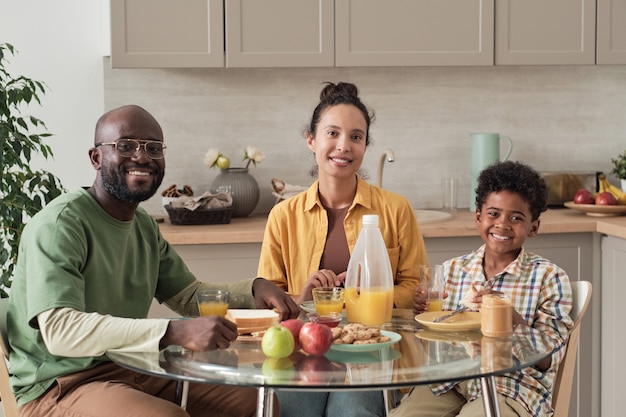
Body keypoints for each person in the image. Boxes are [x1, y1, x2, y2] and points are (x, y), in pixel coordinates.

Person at [7, 104, 300, 417]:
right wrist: (171, 332)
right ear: (96, 158)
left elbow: (187, 295)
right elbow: (60, 331)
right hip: (59, 386)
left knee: (251, 404)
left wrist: (253, 290)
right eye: (126, 146)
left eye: (153, 148)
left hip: (128, 366)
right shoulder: (60, 225)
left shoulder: (144, 225)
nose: (142, 157)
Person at [257, 82, 428, 417]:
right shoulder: (283, 216)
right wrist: (302, 297)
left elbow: (416, 288)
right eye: (332, 133)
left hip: (373, 351)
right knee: (294, 412)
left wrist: (371, 293)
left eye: (355, 136)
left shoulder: (395, 209)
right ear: (311, 140)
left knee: (352, 412)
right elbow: (270, 301)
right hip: (303, 353)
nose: (343, 146)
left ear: (365, 145)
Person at [396, 160, 574, 417]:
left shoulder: (549, 277)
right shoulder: (451, 270)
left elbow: (550, 358)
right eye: (494, 213)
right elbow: (430, 343)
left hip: (512, 387)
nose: (502, 224)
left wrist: (511, 320)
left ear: (534, 227)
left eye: (516, 217)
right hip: (448, 382)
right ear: (478, 217)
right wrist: (421, 316)